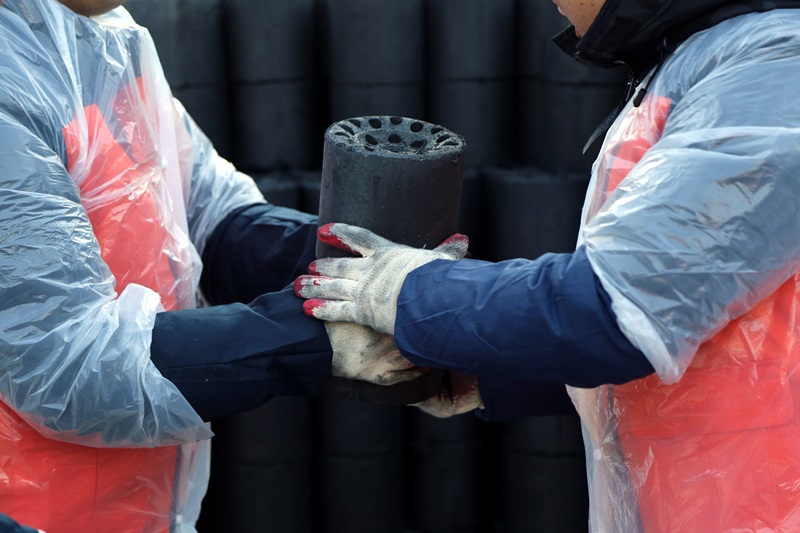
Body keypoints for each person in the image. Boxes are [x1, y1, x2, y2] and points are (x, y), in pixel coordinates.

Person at [295, 0, 800, 531]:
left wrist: (407, 292)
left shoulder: (771, 71)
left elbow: (617, 310)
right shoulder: (707, 61)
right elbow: (708, 331)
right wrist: (499, 366)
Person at [0, 0, 413, 531]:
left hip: (140, 503)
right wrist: (318, 335)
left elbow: (203, 213)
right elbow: (65, 366)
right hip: (36, 510)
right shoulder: (12, 84)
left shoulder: (100, 40)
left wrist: (365, 269)